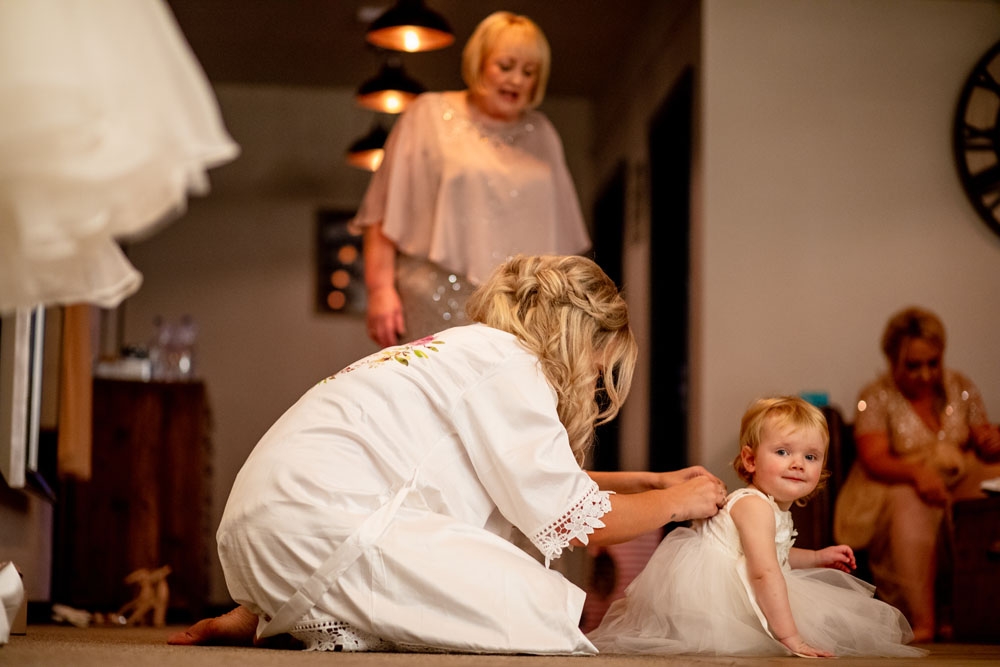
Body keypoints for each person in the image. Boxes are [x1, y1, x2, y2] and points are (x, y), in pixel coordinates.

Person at [167, 255, 727, 654]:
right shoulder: (514, 367)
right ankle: (294, 602)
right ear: (581, 340)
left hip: (270, 526)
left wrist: (650, 482)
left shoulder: (470, 350)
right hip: (321, 529)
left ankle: (275, 609)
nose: (591, 381)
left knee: (505, 587)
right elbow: (578, 520)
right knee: (544, 610)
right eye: (598, 368)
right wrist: (679, 502)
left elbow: (529, 478)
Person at [587, 397, 924, 658]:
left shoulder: (772, 507)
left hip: (742, 582)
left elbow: (777, 555)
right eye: (782, 451)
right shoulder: (753, 505)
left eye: (811, 457)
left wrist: (818, 557)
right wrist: (790, 636)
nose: (797, 463)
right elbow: (763, 572)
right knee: (780, 624)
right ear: (750, 460)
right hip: (710, 599)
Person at [352, 11, 590, 348]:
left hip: (522, 313)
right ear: (480, 63)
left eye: (529, 72)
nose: (517, 80)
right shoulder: (428, 114)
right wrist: (380, 290)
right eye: (505, 66)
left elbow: (561, 239)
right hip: (434, 298)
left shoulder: (542, 134)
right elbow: (382, 211)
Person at [834, 306, 1000, 642]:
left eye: (933, 363)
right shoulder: (876, 395)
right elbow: (874, 457)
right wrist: (917, 473)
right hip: (892, 480)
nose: (925, 374)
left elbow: (979, 436)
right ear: (893, 360)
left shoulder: (960, 385)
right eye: (913, 365)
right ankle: (921, 618)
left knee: (990, 484)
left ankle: (978, 610)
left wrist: (989, 440)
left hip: (957, 472)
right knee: (911, 503)